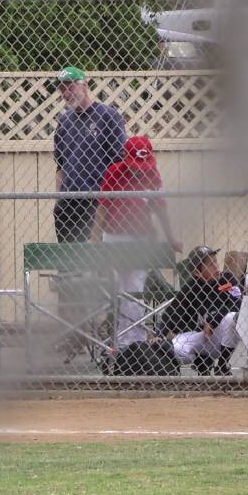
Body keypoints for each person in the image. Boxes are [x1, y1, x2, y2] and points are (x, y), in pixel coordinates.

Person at [94, 135, 181, 346]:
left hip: (140, 237)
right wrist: (94, 239)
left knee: (135, 288)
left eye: (143, 163)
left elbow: (161, 209)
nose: (139, 169)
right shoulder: (115, 172)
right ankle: (121, 339)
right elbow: (102, 208)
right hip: (115, 236)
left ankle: (135, 342)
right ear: (125, 157)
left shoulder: (153, 175)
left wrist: (170, 238)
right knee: (117, 286)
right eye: (135, 164)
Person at [52, 65, 126, 243]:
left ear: (85, 85)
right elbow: (60, 166)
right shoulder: (64, 121)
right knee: (69, 264)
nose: (66, 93)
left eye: (70, 86)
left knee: (95, 261)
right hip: (68, 204)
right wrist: (58, 200)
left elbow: (119, 163)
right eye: (62, 88)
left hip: (97, 202)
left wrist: (111, 201)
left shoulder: (108, 117)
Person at [158, 246, 241, 375]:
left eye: (215, 261)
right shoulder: (191, 287)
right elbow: (169, 313)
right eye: (210, 264)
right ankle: (201, 360)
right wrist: (159, 335)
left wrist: (213, 320)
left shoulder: (227, 279)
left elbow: (238, 304)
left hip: (220, 337)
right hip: (199, 337)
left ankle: (222, 366)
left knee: (233, 317)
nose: (215, 266)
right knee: (176, 349)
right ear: (197, 272)